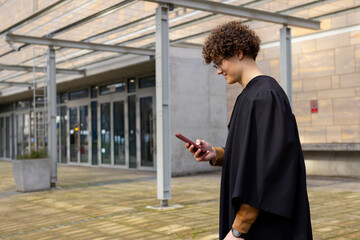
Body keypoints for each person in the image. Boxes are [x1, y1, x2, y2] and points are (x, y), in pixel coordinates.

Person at [185, 21, 313, 240]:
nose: (218, 71)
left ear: (239, 52)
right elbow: (252, 155)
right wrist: (216, 153)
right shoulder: (249, 96)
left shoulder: (265, 97)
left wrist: (238, 229)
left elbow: (269, 171)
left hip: (264, 227)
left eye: (219, 62)